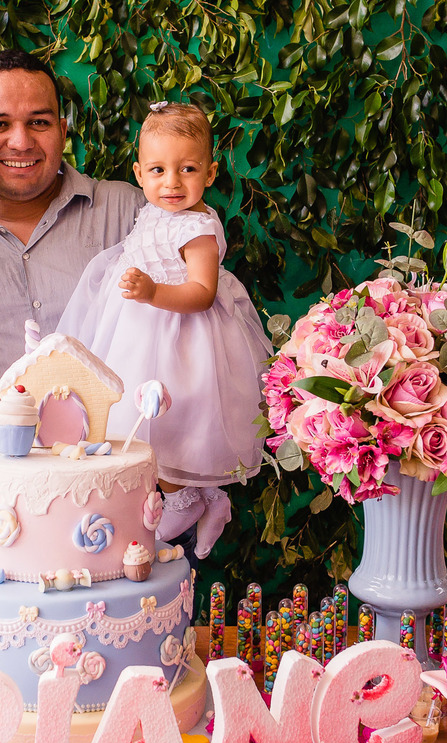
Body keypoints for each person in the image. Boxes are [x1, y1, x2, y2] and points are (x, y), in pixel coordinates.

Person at [56, 101, 273, 559]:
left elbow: (202, 292)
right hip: (134, 335)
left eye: (187, 168)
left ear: (211, 173)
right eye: (158, 169)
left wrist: (154, 292)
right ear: (138, 172)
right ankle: (211, 501)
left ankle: (185, 499)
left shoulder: (197, 228)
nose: (172, 182)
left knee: (174, 431)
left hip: (182, 341)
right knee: (137, 429)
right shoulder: (153, 211)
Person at [0, 50, 144, 457]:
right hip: (4, 504)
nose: (21, 141)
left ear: (62, 130)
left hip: (123, 489)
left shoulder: (129, 212)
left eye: (38, 123)